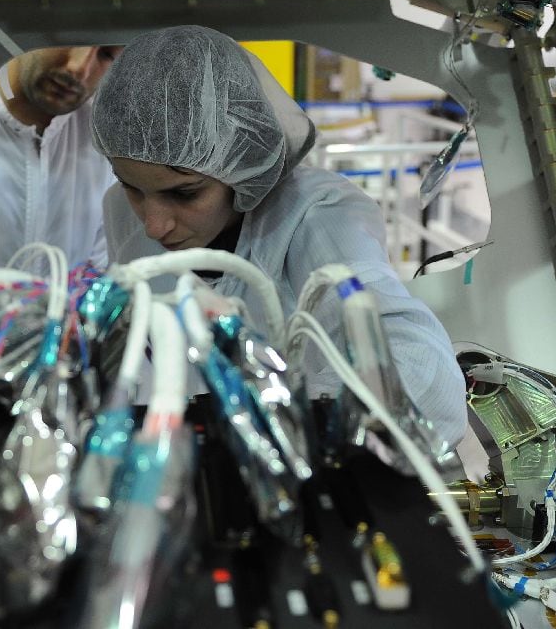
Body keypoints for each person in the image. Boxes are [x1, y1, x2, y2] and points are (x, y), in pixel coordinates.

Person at [90, 26, 467, 445]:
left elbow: (419, 374)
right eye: (132, 187)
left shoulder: (314, 215)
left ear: (239, 164)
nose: (153, 225)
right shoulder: (121, 210)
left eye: (185, 193)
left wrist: (295, 429)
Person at [0, 45, 121, 267]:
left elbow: (104, 269)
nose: (79, 69)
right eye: (70, 39)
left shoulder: (104, 141)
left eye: (106, 54)